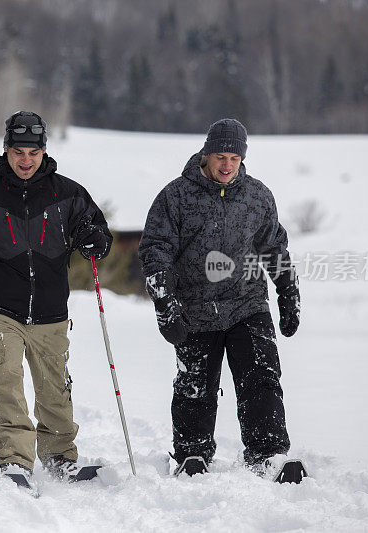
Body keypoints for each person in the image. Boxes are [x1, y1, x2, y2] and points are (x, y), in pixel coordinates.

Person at [0, 111, 112, 483]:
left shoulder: (68, 193)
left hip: (51, 311)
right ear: (6, 150)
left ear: (44, 152)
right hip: (1, 310)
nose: (26, 160)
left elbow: (97, 231)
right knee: (7, 377)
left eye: (33, 152)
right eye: (18, 152)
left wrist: (95, 240)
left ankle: (59, 454)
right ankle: (15, 460)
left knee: (55, 389)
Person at [138, 118, 300, 477]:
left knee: (262, 377)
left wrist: (288, 291)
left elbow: (274, 247)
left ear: (242, 159)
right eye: (220, 157)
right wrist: (166, 304)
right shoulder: (176, 195)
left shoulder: (258, 196)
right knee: (195, 386)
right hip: (195, 308)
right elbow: (155, 251)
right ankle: (192, 454)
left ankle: (267, 452)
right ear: (206, 155)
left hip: (247, 303)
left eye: (234, 159)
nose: (227, 165)